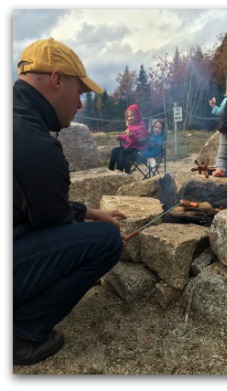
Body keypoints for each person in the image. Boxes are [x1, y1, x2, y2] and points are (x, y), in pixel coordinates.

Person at [13, 38, 127, 366]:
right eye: (80, 92)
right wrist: (90, 227)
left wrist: (88, 211)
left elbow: (33, 209)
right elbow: (56, 228)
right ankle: (22, 335)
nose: (79, 104)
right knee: (105, 242)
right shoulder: (35, 144)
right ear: (57, 79)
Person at [108, 104, 148, 174]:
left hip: (138, 148)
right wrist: (119, 136)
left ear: (137, 115)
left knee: (122, 152)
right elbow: (127, 137)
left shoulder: (141, 127)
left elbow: (141, 140)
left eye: (132, 115)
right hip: (130, 146)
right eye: (128, 116)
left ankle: (120, 170)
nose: (129, 118)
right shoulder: (130, 125)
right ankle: (111, 169)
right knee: (115, 150)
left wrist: (132, 136)